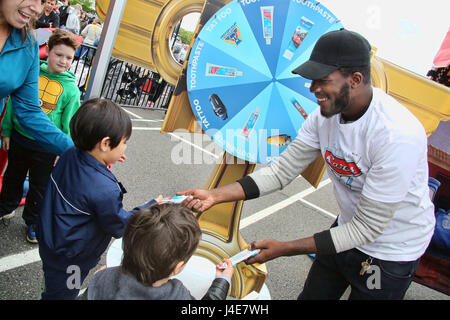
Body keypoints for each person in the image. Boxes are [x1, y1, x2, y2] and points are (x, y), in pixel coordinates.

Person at [179, 29, 436, 300]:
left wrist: (285, 248)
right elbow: (281, 172)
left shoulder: (398, 135)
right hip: (345, 231)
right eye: (313, 80)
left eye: (322, 80)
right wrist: (215, 195)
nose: (313, 89)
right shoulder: (323, 117)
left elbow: (367, 229)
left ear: (356, 79)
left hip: (390, 253)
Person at [36, 98, 160, 300]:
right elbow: (119, 225)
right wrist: (151, 206)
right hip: (72, 258)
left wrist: (106, 159)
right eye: (124, 142)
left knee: (52, 281)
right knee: (65, 292)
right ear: (104, 144)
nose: (125, 147)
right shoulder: (104, 190)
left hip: (51, 238)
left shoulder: (70, 154)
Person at [0, 29, 81, 243]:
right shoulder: (32, 73)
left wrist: (63, 150)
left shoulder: (72, 90)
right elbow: (12, 106)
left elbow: (70, 125)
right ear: (48, 52)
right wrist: (7, 130)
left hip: (47, 147)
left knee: (39, 186)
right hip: (19, 137)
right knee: (12, 177)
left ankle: (33, 221)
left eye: (69, 57)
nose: (63, 61)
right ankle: (6, 206)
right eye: (59, 54)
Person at [79, 203, 234, 300]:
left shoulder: (103, 278)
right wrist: (222, 281)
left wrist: (97, 282)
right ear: (177, 267)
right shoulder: (178, 296)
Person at [0, 0, 74, 201]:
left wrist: (75, 152)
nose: (37, 9)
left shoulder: (27, 45)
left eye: (42, 1)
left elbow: (28, 110)